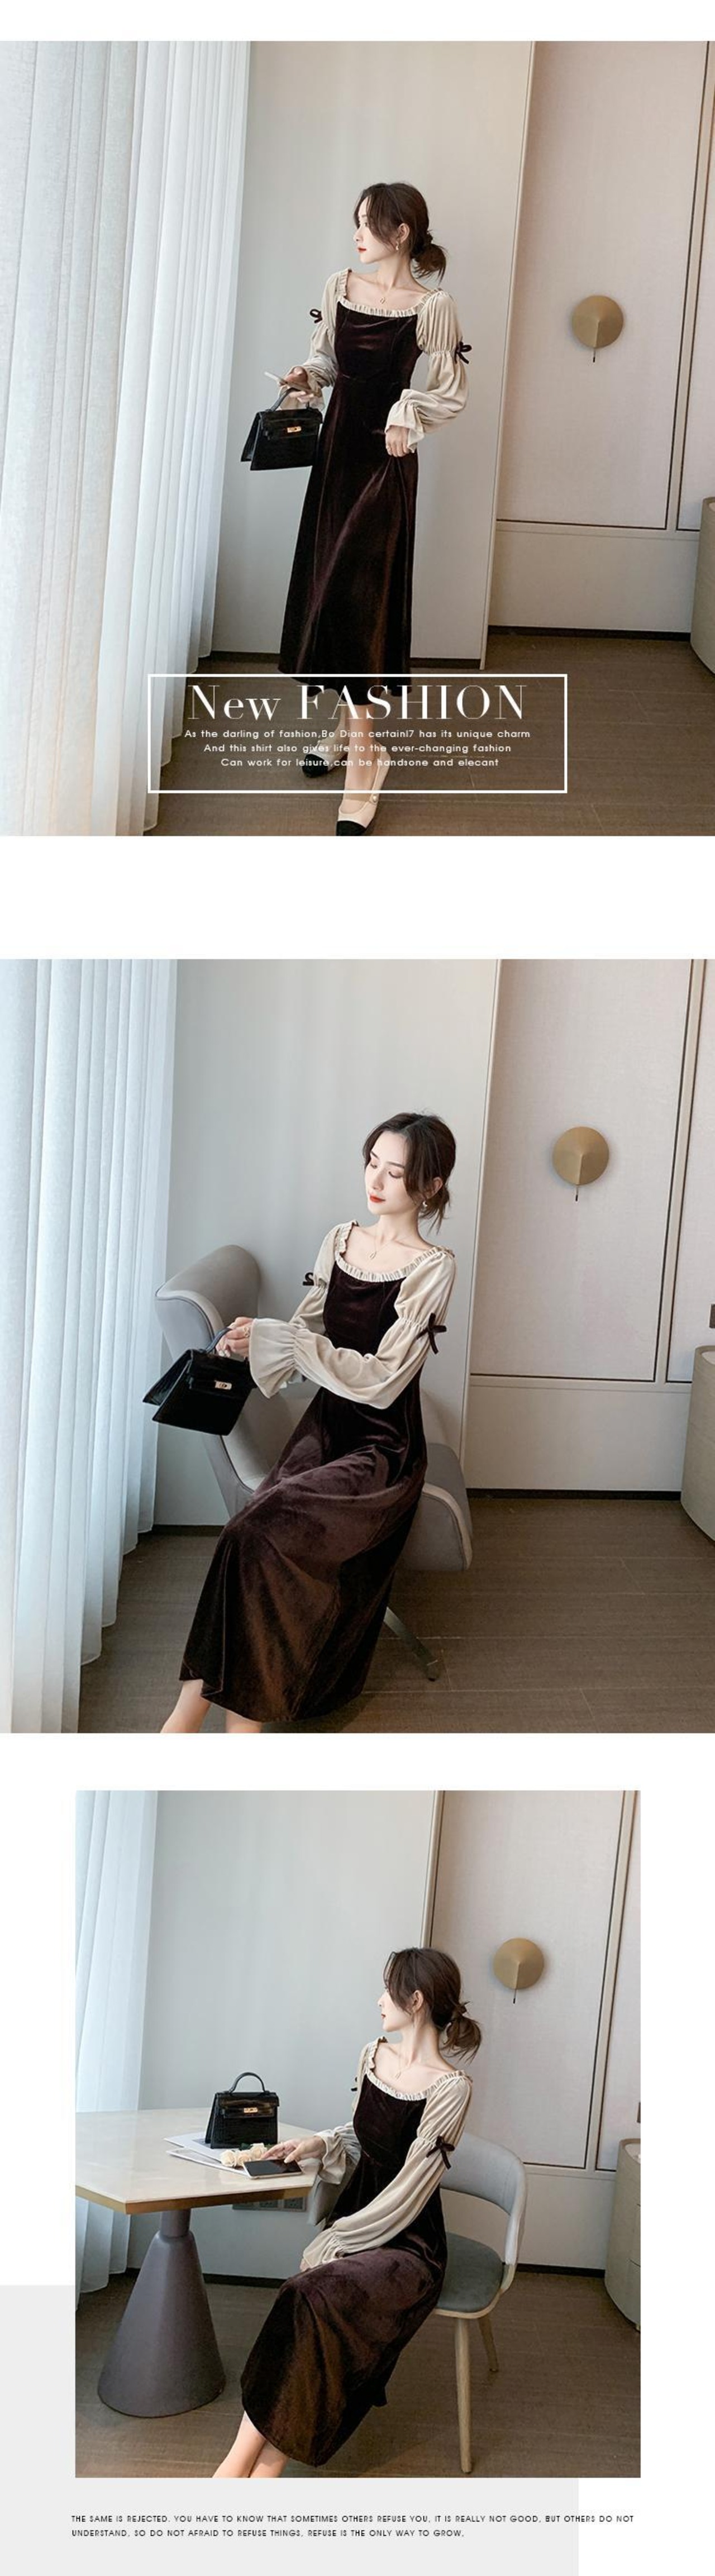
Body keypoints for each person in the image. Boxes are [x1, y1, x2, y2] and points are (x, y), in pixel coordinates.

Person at [160, 1113, 456, 1734]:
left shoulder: (433, 1267)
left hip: (383, 1448)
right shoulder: (340, 1240)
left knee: (257, 1534)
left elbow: (382, 1380)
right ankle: (190, 1714)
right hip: (324, 1429)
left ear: (430, 1186)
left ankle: (232, 1725)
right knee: (245, 1534)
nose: (376, 1180)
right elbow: (306, 1335)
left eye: (396, 1172)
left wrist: (288, 1343)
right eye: (372, 1162)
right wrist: (257, 1341)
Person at [213, 1948, 480, 2478]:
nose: (379, 2000)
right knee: (308, 2302)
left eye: (388, 1990)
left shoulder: (452, 2088)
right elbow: (363, 2135)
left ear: (416, 2000)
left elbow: (412, 2188)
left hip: (410, 2244)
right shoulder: (373, 2055)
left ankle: (244, 2469)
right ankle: (253, 2469)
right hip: (360, 2217)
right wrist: (318, 2142)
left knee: (310, 2296)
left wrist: (341, 2239)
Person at [278, 183, 470, 834]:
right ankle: (345, 732)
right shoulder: (341, 287)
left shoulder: (433, 307)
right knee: (334, 591)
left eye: (368, 224)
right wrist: (305, 378)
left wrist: (407, 412)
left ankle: (365, 757)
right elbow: (326, 361)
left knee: (361, 594)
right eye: (356, 223)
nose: (357, 235)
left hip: (386, 459)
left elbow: (447, 388)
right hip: (336, 456)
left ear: (402, 232)